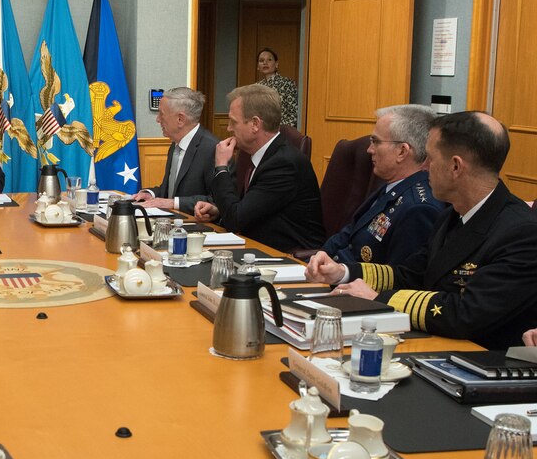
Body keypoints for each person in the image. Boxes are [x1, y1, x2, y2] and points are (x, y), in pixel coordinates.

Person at [306, 111, 537, 350]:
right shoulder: (455, 213)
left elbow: (466, 314)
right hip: (439, 346)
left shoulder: (521, 233)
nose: (424, 167)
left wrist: (378, 299)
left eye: (430, 159)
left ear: (456, 166)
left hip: (483, 363)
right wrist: (342, 272)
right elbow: (412, 273)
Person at [194, 85, 325, 252]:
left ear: (255, 124)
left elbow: (236, 221)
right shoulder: (262, 156)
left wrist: (221, 167)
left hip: (291, 258)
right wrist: (220, 211)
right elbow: (251, 209)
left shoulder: (283, 164)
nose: (228, 128)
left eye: (233, 122)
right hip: (260, 248)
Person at [320, 104, 445, 265]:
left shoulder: (418, 208)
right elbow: (349, 233)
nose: (369, 150)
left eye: (375, 142)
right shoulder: (394, 186)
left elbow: (399, 278)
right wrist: (320, 257)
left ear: (402, 151)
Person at [131, 87, 219, 213]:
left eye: (161, 114)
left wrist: (173, 203)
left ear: (180, 119)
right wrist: (151, 194)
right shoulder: (175, 145)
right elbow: (171, 191)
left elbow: (216, 201)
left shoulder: (212, 149)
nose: (157, 119)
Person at [255, 47, 298, 128]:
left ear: (276, 64)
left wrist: (275, 131)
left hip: (282, 132)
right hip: (260, 133)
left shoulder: (287, 84)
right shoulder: (256, 87)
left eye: (269, 60)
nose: (265, 62)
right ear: (258, 66)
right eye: (261, 60)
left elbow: (294, 115)